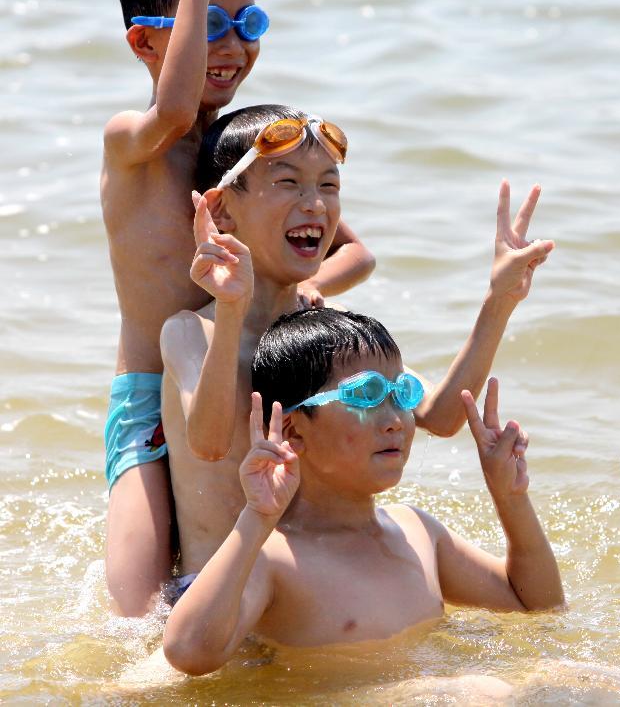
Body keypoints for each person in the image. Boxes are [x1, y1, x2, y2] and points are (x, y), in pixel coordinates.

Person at [101, 0, 374, 616]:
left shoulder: (241, 150)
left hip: (235, 374)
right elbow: (175, 105)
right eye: (208, 24)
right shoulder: (134, 141)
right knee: (137, 611)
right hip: (153, 402)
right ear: (142, 42)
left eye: (247, 25)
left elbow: (354, 253)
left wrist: (312, 288)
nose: (233, 45)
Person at [160, 102, 553, 592]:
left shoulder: (320, 327)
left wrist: (499, 301)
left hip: (314, 584)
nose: (316, 205)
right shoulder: (189, 331)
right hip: (223, 596)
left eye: (329, 185)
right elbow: (211, 443)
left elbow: (442, 415)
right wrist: (233, 306)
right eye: (288, 183)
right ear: (221, 210)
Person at [161, 307, 564, 675]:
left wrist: (510, 498)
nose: (395, 422)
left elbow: (536, 606)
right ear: (293, 429)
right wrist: (256, 518)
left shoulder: (418, 531)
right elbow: (188, 653)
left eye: (402, 394)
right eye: (366, 396)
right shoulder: (274, 558)